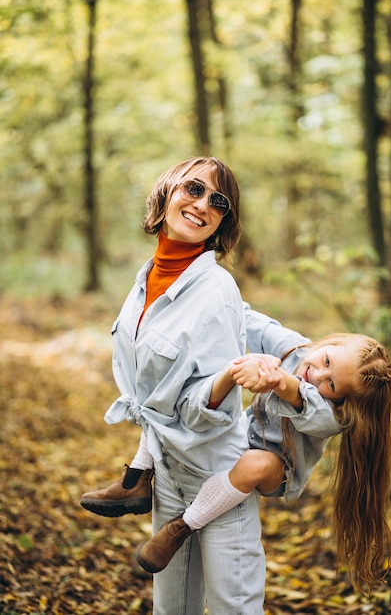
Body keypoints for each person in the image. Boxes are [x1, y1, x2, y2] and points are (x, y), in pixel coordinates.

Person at [97, 310, 391, 596]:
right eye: (326, 361)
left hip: (278, 467)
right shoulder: (297, 350)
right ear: (330, 343)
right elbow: (246, 317)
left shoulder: (334, 416)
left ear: (341, 399)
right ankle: (137, 478)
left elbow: (303, 399)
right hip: (242, 433)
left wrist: (279, 379)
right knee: (179, 396)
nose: (318, 375)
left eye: (332, 384)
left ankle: (181, 527)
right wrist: (210, 301)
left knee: (254, 464)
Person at [80, 157, 266, 615]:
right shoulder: (146, 279)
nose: (203, 205)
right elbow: (149, 388)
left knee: (233, 609)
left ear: (224, 221)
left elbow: (210, 413)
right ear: (167, 192)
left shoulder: (217, 289)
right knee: (172, 608)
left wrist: (224, 381)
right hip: (166, 474)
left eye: (218, 202)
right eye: (194, 189)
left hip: (218, 476)